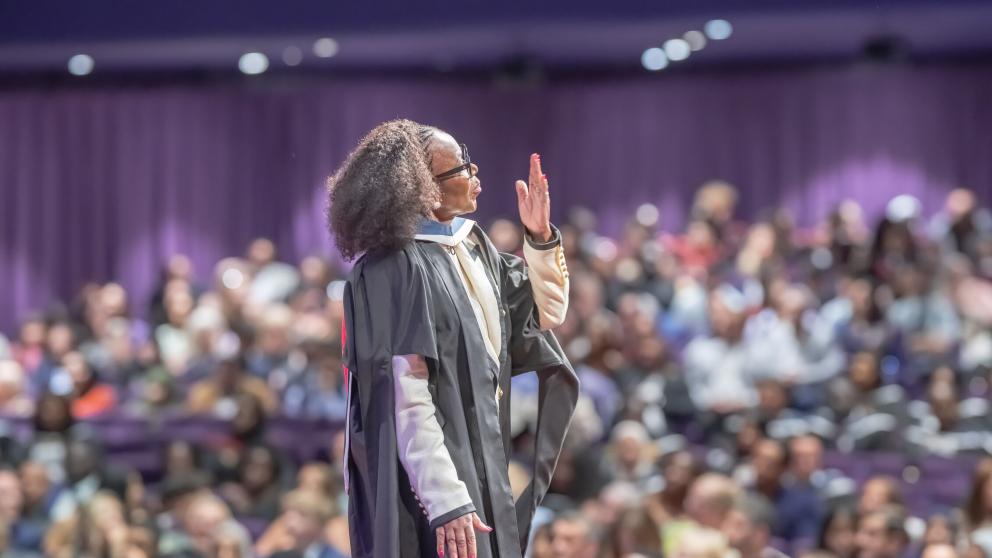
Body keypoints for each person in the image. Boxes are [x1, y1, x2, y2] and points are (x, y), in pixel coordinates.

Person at [329, 119, 578, 558]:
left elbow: (547, 314)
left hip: (485, 452)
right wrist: (445, 500)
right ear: (423, 188)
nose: (474, 171)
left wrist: (538, 236)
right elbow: (403, 394)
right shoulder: (394, 270)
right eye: (461, 166)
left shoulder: (472, 245)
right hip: (433, 480)